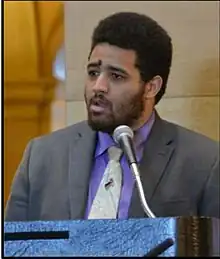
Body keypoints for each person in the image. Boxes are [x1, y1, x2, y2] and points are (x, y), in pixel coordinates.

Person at [5, 12, 219, 221]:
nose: (98, 87)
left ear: (151, 87)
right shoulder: (42, 156)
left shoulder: (204, 161)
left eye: (116, 76)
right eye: (93, 73)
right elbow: (12, 247)